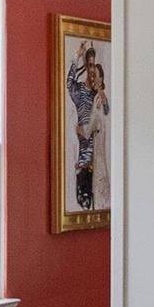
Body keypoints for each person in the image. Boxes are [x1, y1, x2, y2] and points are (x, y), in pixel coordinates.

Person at [67, 41, 109, 213]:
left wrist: (101, 93)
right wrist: (76, 58)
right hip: (84, 164)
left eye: (94, 66)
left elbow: (106, 111)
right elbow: (69, 83)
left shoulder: (98, 96)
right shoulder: (79, 91)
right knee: (84, 208)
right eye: (89, 65)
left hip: (99, 164)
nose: (92, 70)